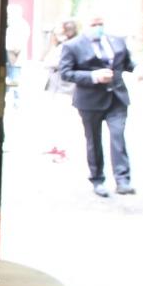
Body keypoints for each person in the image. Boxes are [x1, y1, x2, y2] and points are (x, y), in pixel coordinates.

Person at [58, 14, 135, 197]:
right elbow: (66, 73)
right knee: (94, 140)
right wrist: (93, 77)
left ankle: (123, 179)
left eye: (101, 23)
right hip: (90, 100)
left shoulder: (117, 41)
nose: (98, 27)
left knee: (118, 136)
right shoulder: (73, 45)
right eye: (94, 24)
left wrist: (139, 69)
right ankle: (97, 179)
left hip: (117, 97)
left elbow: (127, 64)